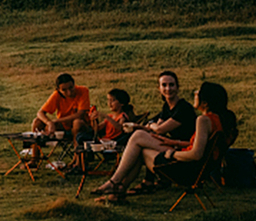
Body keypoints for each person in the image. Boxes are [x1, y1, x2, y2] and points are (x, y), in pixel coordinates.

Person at [90, 81, 234, 202]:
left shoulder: (203, 120)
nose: (194, 93)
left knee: (139, 142)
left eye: (198, 92)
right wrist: (173, 142)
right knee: (139, 140)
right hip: (199, 168)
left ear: (205, 101)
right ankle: (117, 189)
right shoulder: (221, 119)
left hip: (186, 169)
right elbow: (202, 147)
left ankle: (115, 185)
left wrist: (172, 154)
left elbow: (196, 154)